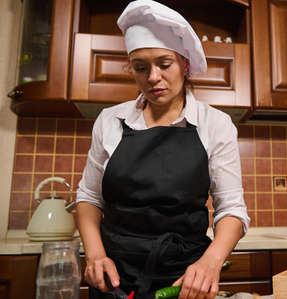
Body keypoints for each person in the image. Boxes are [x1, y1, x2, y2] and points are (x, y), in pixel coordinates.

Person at [75, 1, 250, 299]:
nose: (153, 77)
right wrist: (94, 255)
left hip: (184, 279)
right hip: (113, 276)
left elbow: (232, 208)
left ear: (184, 64)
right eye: (141, 68)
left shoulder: (215, 124)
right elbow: (89, 197)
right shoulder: (110, 121)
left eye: (164, 64)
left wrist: (211, 263)